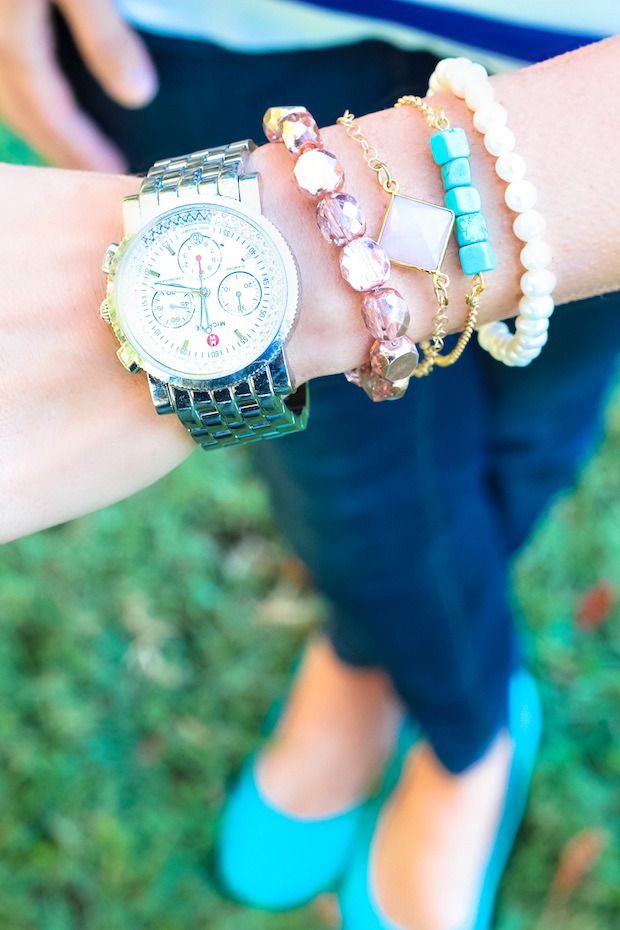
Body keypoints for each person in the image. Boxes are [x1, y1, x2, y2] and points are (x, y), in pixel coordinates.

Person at [0, 2, 619, 928]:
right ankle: (444, 711)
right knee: (353, 488)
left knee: (530, 427)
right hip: (208, 26)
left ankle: (440, 709)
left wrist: (316, 265)